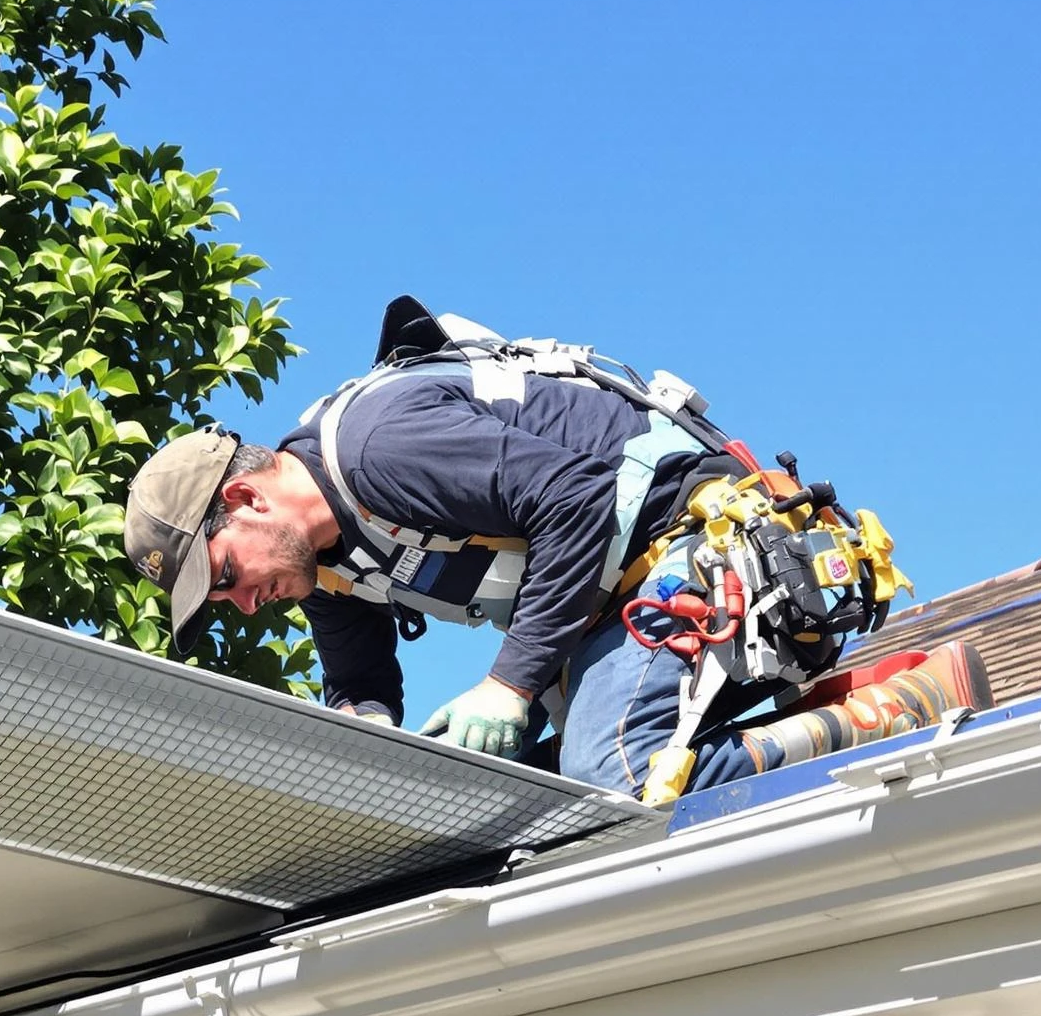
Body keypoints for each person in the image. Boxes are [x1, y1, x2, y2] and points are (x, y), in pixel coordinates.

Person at [122, 301, 988, 799]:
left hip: (692, 542)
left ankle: (896, 704)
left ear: (244, 499)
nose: (242, 604)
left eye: (225, 576)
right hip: (605, 602)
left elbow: (577, 499)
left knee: (614, 774)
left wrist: (508, 686)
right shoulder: (327, 568)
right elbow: (361, 682)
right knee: (511, 803)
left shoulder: (380, 448)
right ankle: (817, 717)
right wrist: (368, 740)